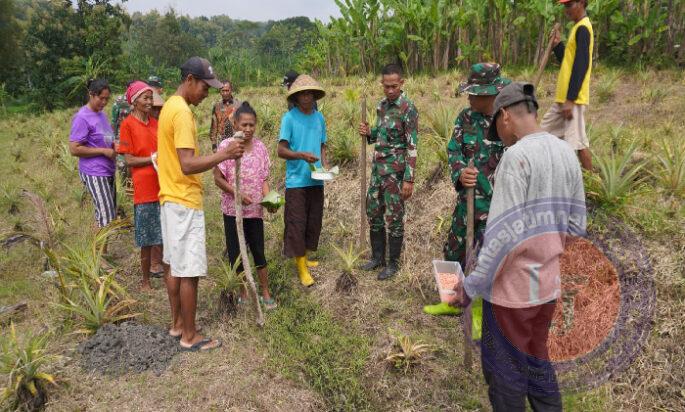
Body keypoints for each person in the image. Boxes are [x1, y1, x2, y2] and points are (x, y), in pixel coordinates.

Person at [450, 82, 586, 411]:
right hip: (547, 289)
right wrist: (547, 250)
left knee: (506, 377)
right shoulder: (566, 152)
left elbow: (502, 239)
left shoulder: (516, 157)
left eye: (498, 126)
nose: (500, 136)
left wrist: (471, 286)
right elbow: (577, 226)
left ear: (506, 116)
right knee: (538, 364)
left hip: (512, 294)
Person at [157, 57, 245, 352]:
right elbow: (187, 164)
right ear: (190, 80)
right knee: (189, 271)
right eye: (205, 87)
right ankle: (190, 336)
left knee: (173, 265)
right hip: (183, 200)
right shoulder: (182, 114)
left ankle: (177, 324)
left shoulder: (169, 105)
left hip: (169, 198)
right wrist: (225, 154)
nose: (208, 93)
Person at [424, 63, 510, 317]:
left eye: (475, 94)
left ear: (490, 95)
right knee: (453, 251)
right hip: (467, 202)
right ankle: (451, 301)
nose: (470, 98)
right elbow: (454, 149)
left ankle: (479, 314)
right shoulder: (465, 117)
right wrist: (460, 172)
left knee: (487, 262)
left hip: (495, 208)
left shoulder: (507, 120)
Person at [358, 63, 418, 280]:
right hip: (377, 170)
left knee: (394, 217)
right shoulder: (381, 106)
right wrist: (368, 133)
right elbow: (381, 135)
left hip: (396, 173)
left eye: (394, 86)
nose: (390, 90)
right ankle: (377, 258)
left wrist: (409, 180)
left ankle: (393, 264)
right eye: (386, 86)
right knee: (373, 211)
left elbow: (412, 146)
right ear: (382, 84)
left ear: (401, 83)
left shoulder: (408, 108)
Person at [214, 102, 277, 310]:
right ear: (235, 124)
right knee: (236, 253)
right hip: (233, 211)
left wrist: (269, 200)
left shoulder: (260, 148)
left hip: (255, 211)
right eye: (244, 125)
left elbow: (264, 179)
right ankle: (243, 291)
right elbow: (218, 179)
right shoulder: (226, 147)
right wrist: (237, 194)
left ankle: (265, 291)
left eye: (251, 125)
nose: (248, 129)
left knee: (259, 251)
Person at [277, 74, 328, 287]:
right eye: (302, 94)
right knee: (297, 223)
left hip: (316, 180)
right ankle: (301, 268)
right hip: (297, 181)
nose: (306, 97)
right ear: (295, 97)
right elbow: (281, 150)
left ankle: (305, 258)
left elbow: (323, 145)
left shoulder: (320, 118)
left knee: (312, 221)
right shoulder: (289, 118)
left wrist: (325, 167)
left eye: (309, 93)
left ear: (314, 96)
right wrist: (301, 155)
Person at [117, 81, 163, 290]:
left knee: (163, 233)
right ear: (134, 101)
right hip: (144, 187)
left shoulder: (155, 123)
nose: (149, 102)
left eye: (150, 98)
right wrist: (151, 159)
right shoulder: (127, 125)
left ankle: (163, 269)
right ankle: (145, 280)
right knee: (145, 236)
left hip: (162, 184)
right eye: (145, 98)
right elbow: (128, 160)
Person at [540, 0, 594, 171]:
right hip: (562, 99)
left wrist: (571, 99)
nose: (566, 10)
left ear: (582, 3)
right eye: (565, 6)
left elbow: (581, 65)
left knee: (578, 143)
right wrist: (558, 46)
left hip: (573, 100)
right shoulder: (577, 28)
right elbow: (568, 61)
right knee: (540, 134)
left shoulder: (584, 28)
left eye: (569, 5)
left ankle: (594, 184)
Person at [69, 79, 117, 229]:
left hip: (108, 170)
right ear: (91, 94)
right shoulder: (82, 117)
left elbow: (105, 136)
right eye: (101, 98)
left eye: (106, 99)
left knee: (110, 214)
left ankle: (101, 250)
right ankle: (99, 253)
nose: (104, 102)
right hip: (95, 172)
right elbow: (74, 148)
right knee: (106, 218)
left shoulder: (101, 114)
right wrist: (102, 150)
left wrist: (116, 144)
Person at [209, 81, 240, 152]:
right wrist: (214, 145)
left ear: (231, 90)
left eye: (227, 90)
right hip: (221, 142)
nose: (225, 93)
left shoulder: (238, 105)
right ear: (220, 91)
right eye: (223, 91)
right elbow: (214, 126)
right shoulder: (217, 106)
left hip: (235, 140)